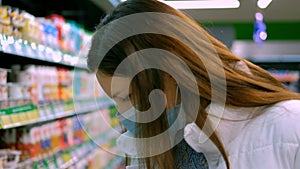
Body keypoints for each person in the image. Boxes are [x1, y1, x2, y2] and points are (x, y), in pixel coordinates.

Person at [87, 0, 300, 168]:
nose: (124, 113)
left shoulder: (289, 125)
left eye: (128, 97)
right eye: (116, 101)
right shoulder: (155, 148)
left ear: (169, 71)